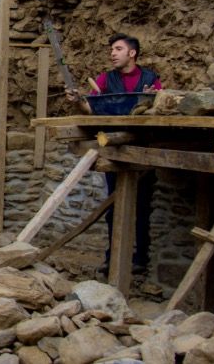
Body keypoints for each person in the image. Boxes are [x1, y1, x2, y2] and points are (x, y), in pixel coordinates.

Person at [66, 33, 162, 274]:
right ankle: (113, 257)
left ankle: (140, 260)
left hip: (143, 149)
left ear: (132, 53)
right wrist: (78, 101)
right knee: (113, 206)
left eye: (118, 49)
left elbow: (162, 108)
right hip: (114, 148)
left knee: (142, 206)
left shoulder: (150, 79)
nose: (112, 53)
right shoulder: (105, 80)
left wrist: (153, 98)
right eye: (111, 49)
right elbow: (91, 108)